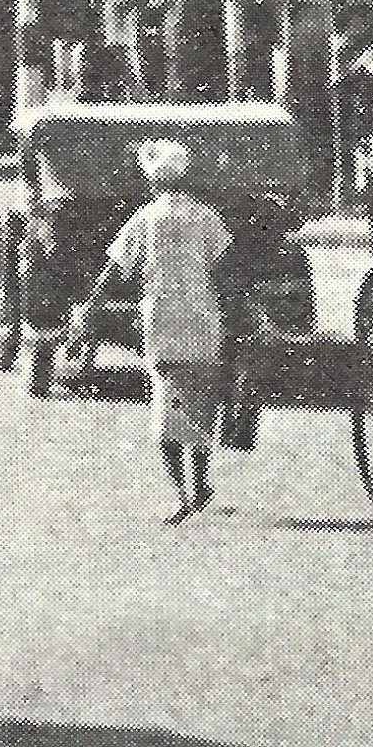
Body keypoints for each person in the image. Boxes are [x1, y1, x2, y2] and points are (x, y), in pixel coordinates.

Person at [72, 139, 233, 524]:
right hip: (203, 323)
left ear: (152, 182)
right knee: (199, 407)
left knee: (166, 417)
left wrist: (90, 304)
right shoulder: (205, 215)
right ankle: (201, 483)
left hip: (162, 325)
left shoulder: (145, 219)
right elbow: (225, 267)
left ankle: (183, 495)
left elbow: (115, 269)